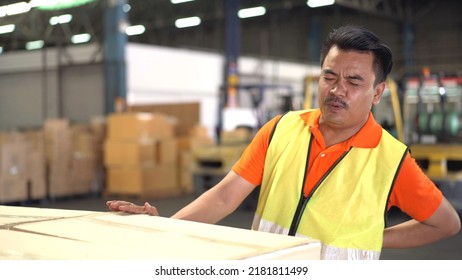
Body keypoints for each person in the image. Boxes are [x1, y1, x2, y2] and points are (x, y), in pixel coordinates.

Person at [106, 25, 461, 260]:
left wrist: (371, 236)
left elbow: (445, 224)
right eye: (329, 76)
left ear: (377, 92)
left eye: (354, 81)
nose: (338, 90)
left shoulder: (391, 160)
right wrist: (165, 229)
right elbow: (226, 195)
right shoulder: (281, 129)